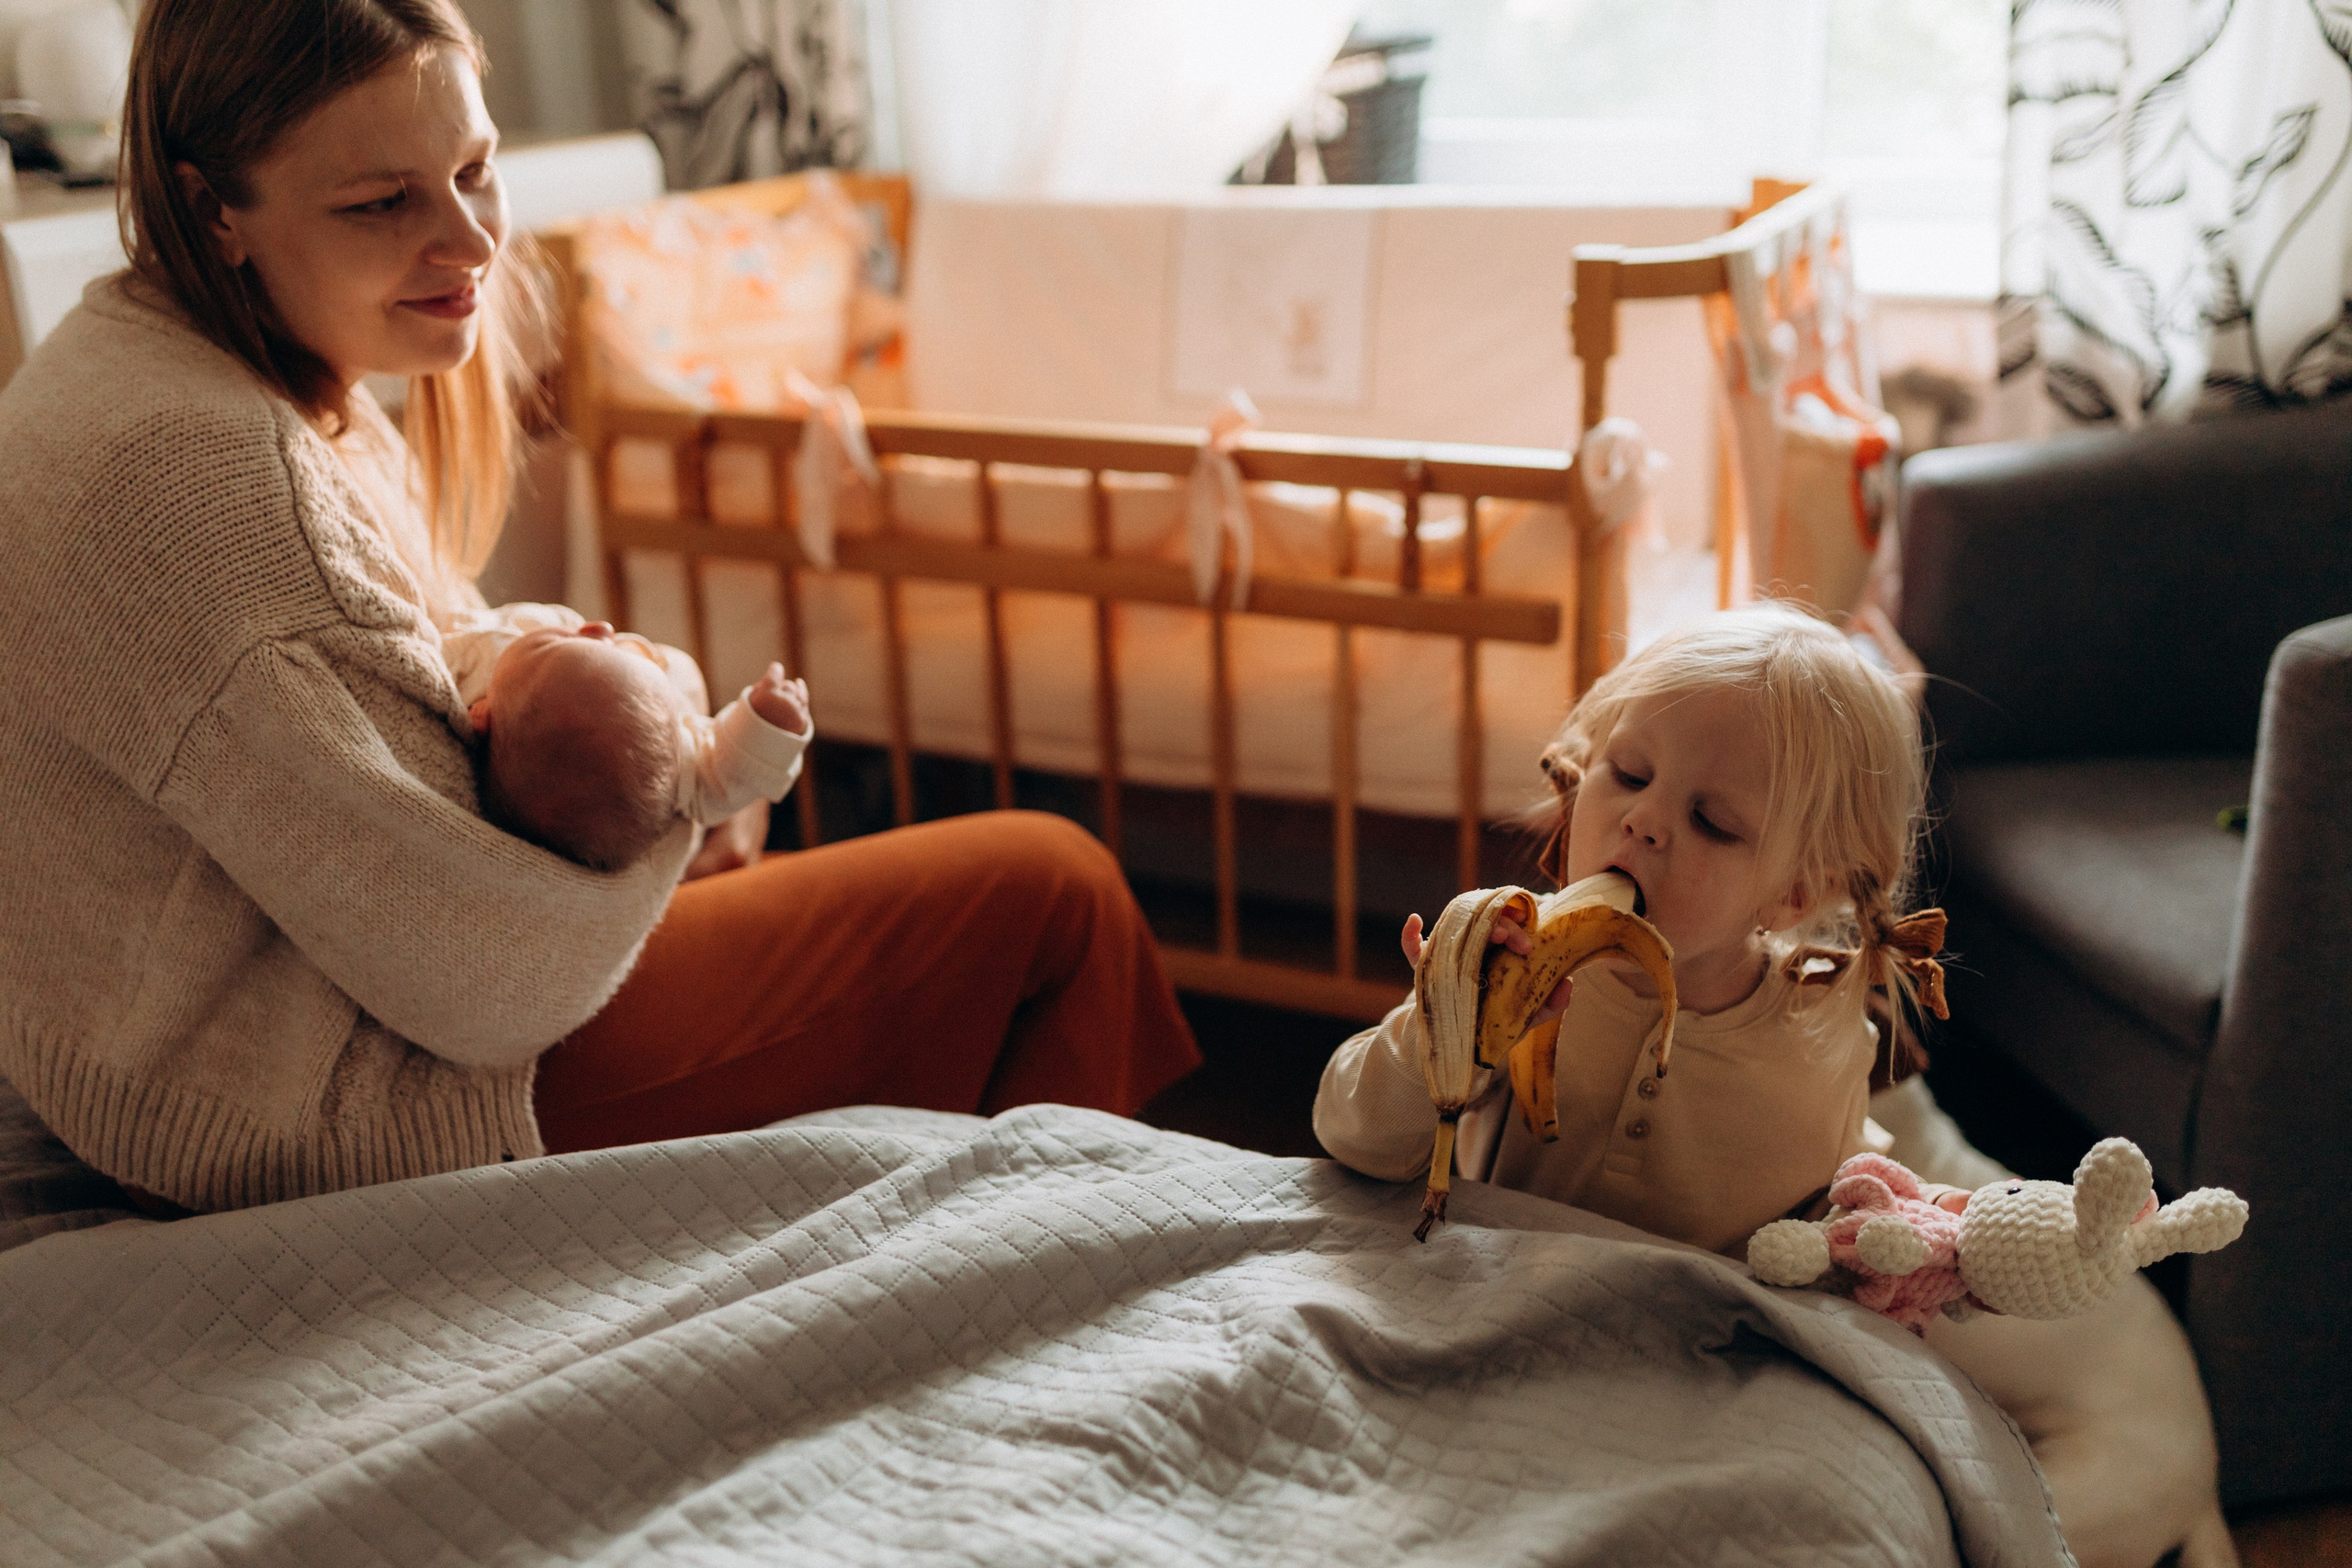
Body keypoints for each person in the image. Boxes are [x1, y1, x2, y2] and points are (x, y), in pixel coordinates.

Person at [0, 0, 1196, 1215]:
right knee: (1055, 892)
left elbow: (432, 695)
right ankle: (1055, 1279)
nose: (469, 239)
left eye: (474, 170)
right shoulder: (208, 470)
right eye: (382, 204)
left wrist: (651, 749)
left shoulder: (176, 365)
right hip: (337, 1099)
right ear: (214, 209)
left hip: (321, 1014)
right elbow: (475, 969)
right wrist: (682, 801)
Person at [1314, 604, 1951, 1254]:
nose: (1643, 818)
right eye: (1629, 774)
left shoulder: (1826, 1044)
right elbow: (1352, 1136)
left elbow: (1829, 1224)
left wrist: (1899, 1229)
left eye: (1712, 821)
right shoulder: (1517, 957)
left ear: (1794, 895)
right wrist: (1437, 1028)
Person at [452, 604, 813, 874]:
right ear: (482, 714)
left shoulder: (480, 672)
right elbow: (730, 770)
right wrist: (766, 725)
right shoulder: (676, 767)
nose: (603, 627)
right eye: (553, 643)